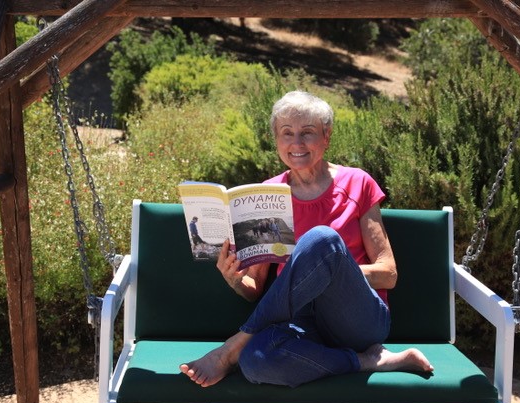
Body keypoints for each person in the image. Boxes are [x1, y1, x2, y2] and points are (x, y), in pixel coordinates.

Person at [180, 91, 433, 388]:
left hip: (357, 321)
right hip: (301, 325)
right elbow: (254, 289)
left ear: (326, 136)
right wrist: (235, 278)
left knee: (322, 241)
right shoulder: (267, 194)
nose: (296, 143)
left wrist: (326, 271)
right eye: (287, 133)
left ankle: (232, 346)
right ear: (276, 139)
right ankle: (369, 361)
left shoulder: (357, 183)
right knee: (256, 361)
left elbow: (388, 274)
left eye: (308, 133)